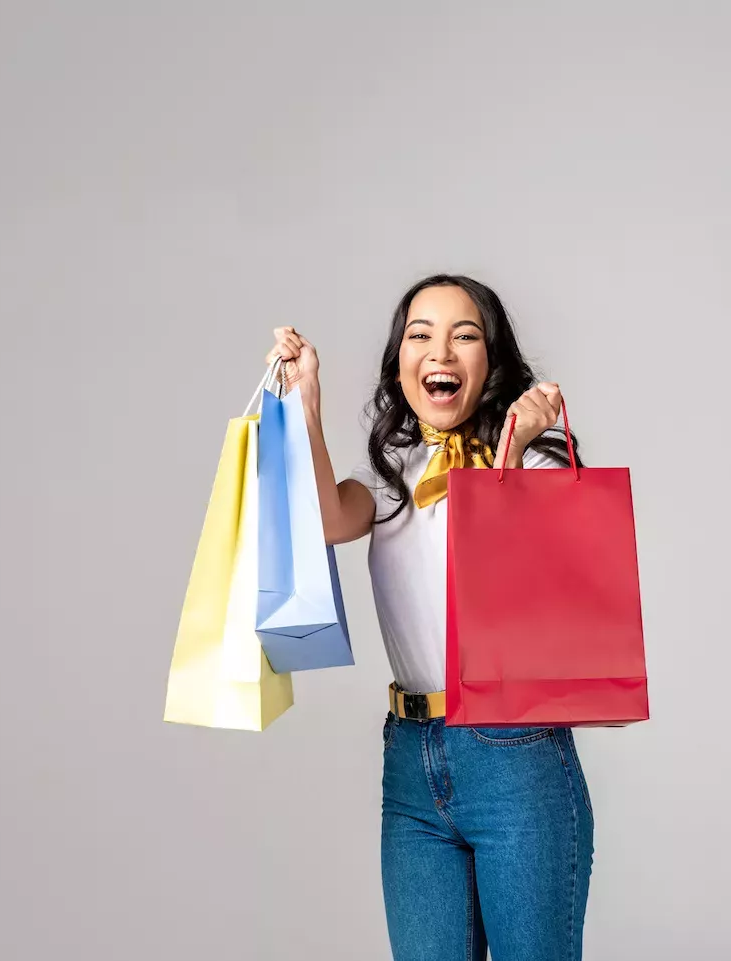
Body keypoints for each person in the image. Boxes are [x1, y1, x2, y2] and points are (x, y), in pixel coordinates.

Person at [265, 274, 594, 960]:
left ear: (491, 362)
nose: (440, 350)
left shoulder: (536, 463)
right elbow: (327, 518)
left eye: (464, 335)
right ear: (400, 365)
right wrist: (307, 402)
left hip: (516, 756)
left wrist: (509, 453)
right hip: (413, 757)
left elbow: (520, 591)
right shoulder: (395, 469)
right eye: (421, 335)